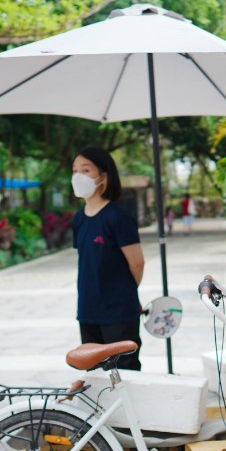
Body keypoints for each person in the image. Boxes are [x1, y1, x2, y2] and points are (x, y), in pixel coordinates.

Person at [70, 147, 145, 370]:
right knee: (93, 376)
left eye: (85, 170)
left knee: (124, 372)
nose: (78, 176)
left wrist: (125, 294)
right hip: (87, 309)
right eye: (75, 170)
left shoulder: (118, 217)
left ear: (103, 177)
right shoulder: (78, 219)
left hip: (118, 311)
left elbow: (137, 263)